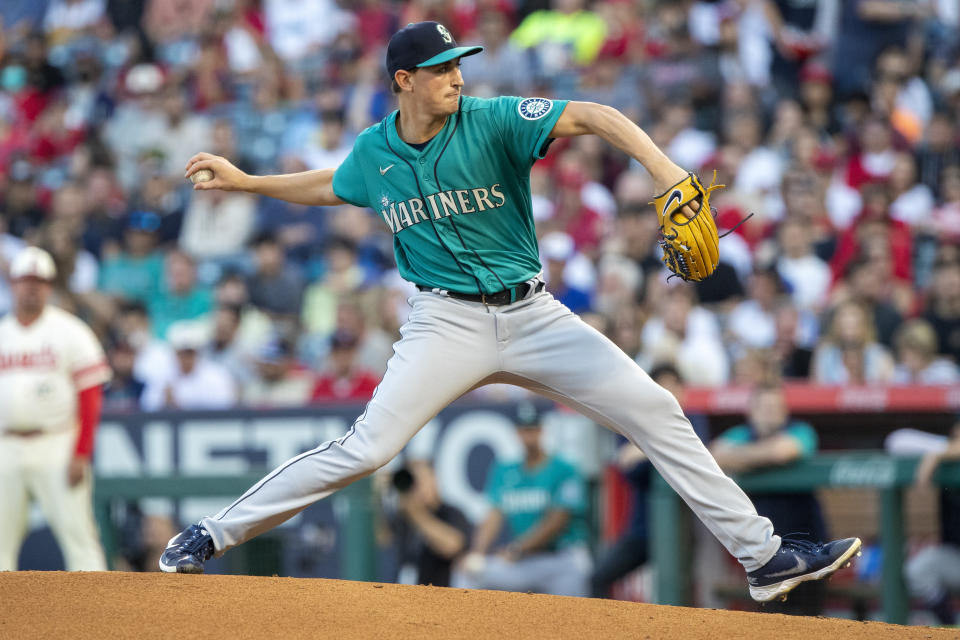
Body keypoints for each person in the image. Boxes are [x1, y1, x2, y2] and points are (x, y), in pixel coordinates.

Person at [162, 21, 861, 603]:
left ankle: (765, 559)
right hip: (445, 324)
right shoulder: (376, 152)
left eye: (458, 64)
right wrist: (250, 181)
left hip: (535, 314)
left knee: (656, 410)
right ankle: (213, 534)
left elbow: (594, 115)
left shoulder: (490, 119)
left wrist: (664, 169)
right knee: (366, 449)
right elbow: (334, 184)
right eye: (440, 69)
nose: (457, 77)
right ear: (403, 80)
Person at [0, 246, 112, 570]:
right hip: (5, 444)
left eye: (39, 280)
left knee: (79, 538)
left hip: (57, 443)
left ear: (49, 286)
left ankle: (100, 613)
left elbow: (91, 396)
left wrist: (81, 451)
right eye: (25, 280)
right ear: (12, 283)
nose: (31, 287)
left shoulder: (71, 331)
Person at [709, 383, 829, 616]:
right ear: (751, 411)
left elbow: (782, 452)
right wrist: (761, 456)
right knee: (773, 619)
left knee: (811, 621)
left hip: (808, 546)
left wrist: (743, 458)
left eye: (776, 407)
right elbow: (713, 454)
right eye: (764, 407)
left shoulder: (800, 430)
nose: (770, 413)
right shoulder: (741, 434)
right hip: (765, 550)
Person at [590, 364, 708, 598]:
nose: (670, 393)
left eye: (675, 387)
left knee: (684, 590)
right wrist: (665, 446)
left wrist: (646, 447)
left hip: (684, 529)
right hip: (642, 530)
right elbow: (626, 463)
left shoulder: (693, 419)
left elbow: (698, 454)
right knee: (599, 577)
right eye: (662, 387)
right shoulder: (635, 421)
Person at [459, 402, 591, 596]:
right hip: (523, 562)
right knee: (469, 573)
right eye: (523, 430)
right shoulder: (505, 470)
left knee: (574, 619)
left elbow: (557, 521)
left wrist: (518, 548)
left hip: (561, 560)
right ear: (517, 433)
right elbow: (493, 516)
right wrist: (477, 553)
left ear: (541, 430)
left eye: (532, 429)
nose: (528, 435)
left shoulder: (564, 468)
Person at [886, 425, 960, 626]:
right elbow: (896, 441)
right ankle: (951, 629)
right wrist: (941, 451)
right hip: (956, 556)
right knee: (919, 570)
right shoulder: (945, 452)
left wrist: (939, 454)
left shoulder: (941, 453)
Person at [386, 460, 471, 588]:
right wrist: (375, 497)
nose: (418, 488)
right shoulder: (403, 516)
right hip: (404, 594)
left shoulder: (450, 512)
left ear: (434, 480)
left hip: (441, 597)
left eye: (422, 481)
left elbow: (452, 545)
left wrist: (415, 514)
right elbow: (381, 540)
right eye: (414, 482)